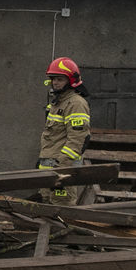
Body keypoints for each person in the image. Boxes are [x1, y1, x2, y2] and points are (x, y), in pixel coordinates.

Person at [37, 56, 91, 205]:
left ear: (71, 81)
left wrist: (62, 165)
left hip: (62, 170)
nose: (55, 82)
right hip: (50, 168)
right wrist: (43, 159)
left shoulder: (75, 104)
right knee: (46, 207)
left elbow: (78, 139)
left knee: (62, 208)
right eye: (53, 78)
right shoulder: (58, 103)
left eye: (60, 79)